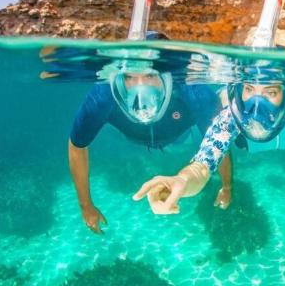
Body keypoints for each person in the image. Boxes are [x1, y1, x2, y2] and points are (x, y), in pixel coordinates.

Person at [68, 32, 233, 234]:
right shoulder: (104, 94)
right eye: (129, 77)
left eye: (151, 75)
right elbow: (77, 145)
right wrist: (86, 206)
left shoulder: (193, 89)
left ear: (168, 73)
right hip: (133, 136)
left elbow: (217, 141)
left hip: (179, 130)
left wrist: (227, 187)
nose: (140, 87)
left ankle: (221, 105)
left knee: (217, 120)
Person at [132, 64, 285, 216]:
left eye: (270, 92)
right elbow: (205, 162)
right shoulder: (232, 117)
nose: (256, 105)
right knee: (219, 111)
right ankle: (221, 98)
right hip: (244, 140)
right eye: (248, 89)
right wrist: (182, 181)